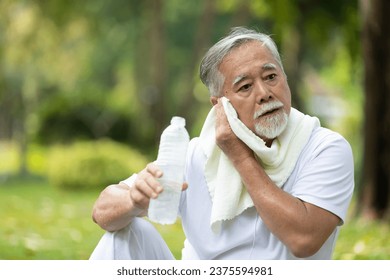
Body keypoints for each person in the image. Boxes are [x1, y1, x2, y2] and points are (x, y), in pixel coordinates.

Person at [89, 27, 354, 260]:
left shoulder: (324, 147)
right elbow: (101, 210)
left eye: (271, 77)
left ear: (285, 78)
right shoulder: (196, 152)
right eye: (245, 87)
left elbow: (304, 240)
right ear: (220, 106)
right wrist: (134, 201)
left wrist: (239, 156)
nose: (264, 93)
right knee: (122, 235)